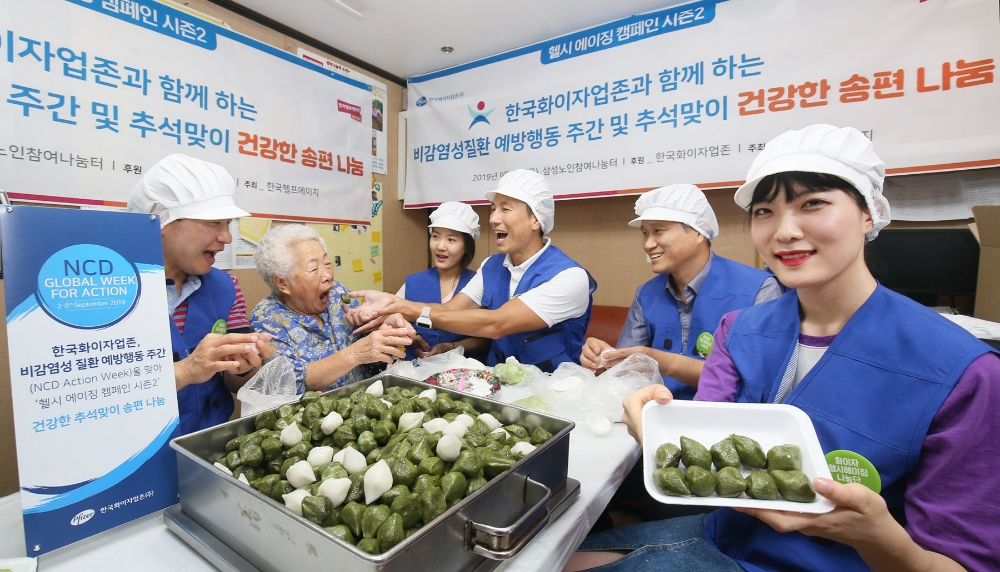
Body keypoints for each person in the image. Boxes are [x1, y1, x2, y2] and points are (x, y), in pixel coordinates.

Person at [567, 124, 1000, 572]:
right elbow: (708, 448)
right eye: (764, 211)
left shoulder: (963, 374)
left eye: (813, 203)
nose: (785, 231)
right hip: (726, 534)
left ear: (869, 214)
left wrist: (880, 539)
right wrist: (655, 428)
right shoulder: (739, 331)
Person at [348, 169, 596, 373]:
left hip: (554, 393)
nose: (493, 219)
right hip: (498, 388)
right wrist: (390, 302)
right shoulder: (491, 266)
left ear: (536, 219)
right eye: (493, 209)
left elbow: (497, 324)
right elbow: (450, 310)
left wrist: (408, 308)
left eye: (505, 209)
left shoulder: (570, 277)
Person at [580, 184, 780, 400]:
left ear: (698, 232)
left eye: (658, 231)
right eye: (645, 233)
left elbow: (758, 380)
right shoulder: (646, 295)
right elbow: (626, 373)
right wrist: (605, 357)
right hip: (656, 412)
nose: (648, 243)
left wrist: (664, 363)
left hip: (727, 420)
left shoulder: (760, 289)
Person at [127, 153, 273, 435]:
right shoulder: (109, 295)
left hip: (208, 446)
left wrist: (243, 367)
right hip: (135, 457)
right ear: (161, 223)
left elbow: (235, 383)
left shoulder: (227, 288)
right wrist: (184, 371)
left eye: (227, 224)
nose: (227, 238)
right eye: (213, 223)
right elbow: (94, 391)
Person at [251, 224, 415, 392]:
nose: (328, 276)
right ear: (283, 283)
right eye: (314, 269)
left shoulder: (338, 293)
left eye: (327, 264)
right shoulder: (267, 317)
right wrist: (355, 353)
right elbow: (288, 382)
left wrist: (382, 326)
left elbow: (367, 343)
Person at [395, 201, 486, 359]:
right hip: (414, 373)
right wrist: (407, 337)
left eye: (451, 240)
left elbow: (484, 338)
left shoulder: (478, 283)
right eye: (436, 236)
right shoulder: (413, 282)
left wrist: (450, 347)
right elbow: (391, 322)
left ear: (466, 247)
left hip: (462, 375)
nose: (440, 246)